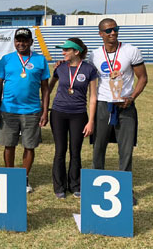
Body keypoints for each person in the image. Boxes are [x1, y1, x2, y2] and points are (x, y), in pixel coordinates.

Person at [89, 18, 148, 205]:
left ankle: (124, 190)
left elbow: (143, 78)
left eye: (115, 29)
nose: (113, 33)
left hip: (125, 105)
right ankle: (96, 188)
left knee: (126, 149)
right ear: (101, 34)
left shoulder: (131, 50)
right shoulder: (94, 55)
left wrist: (132, 97)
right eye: (108, 31)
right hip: (103, 105)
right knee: (98, 147)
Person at [0, 27, 50, 193]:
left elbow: (45, 89)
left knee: (29, 146)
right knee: (8, 145)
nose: (21, 43)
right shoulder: (6, 59)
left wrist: (45, 111)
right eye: (18, 40)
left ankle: (23, 179)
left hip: (32, 111)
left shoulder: (40, 60)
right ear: (14, 41)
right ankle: (10, 177)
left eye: (25, 40)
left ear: (31, 42)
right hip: (8, 110)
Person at [49, 38, 97, 199]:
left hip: (78, 114)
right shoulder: (60, 67)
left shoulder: (89, 70)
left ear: (76, 52)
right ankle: (59, 186)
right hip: (58, 113)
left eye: (66, 49)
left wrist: (91, 121)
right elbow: (49, 87)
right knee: (60, 150)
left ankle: (75, 185)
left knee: (75, 151)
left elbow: (93, 97)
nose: (63, 52)